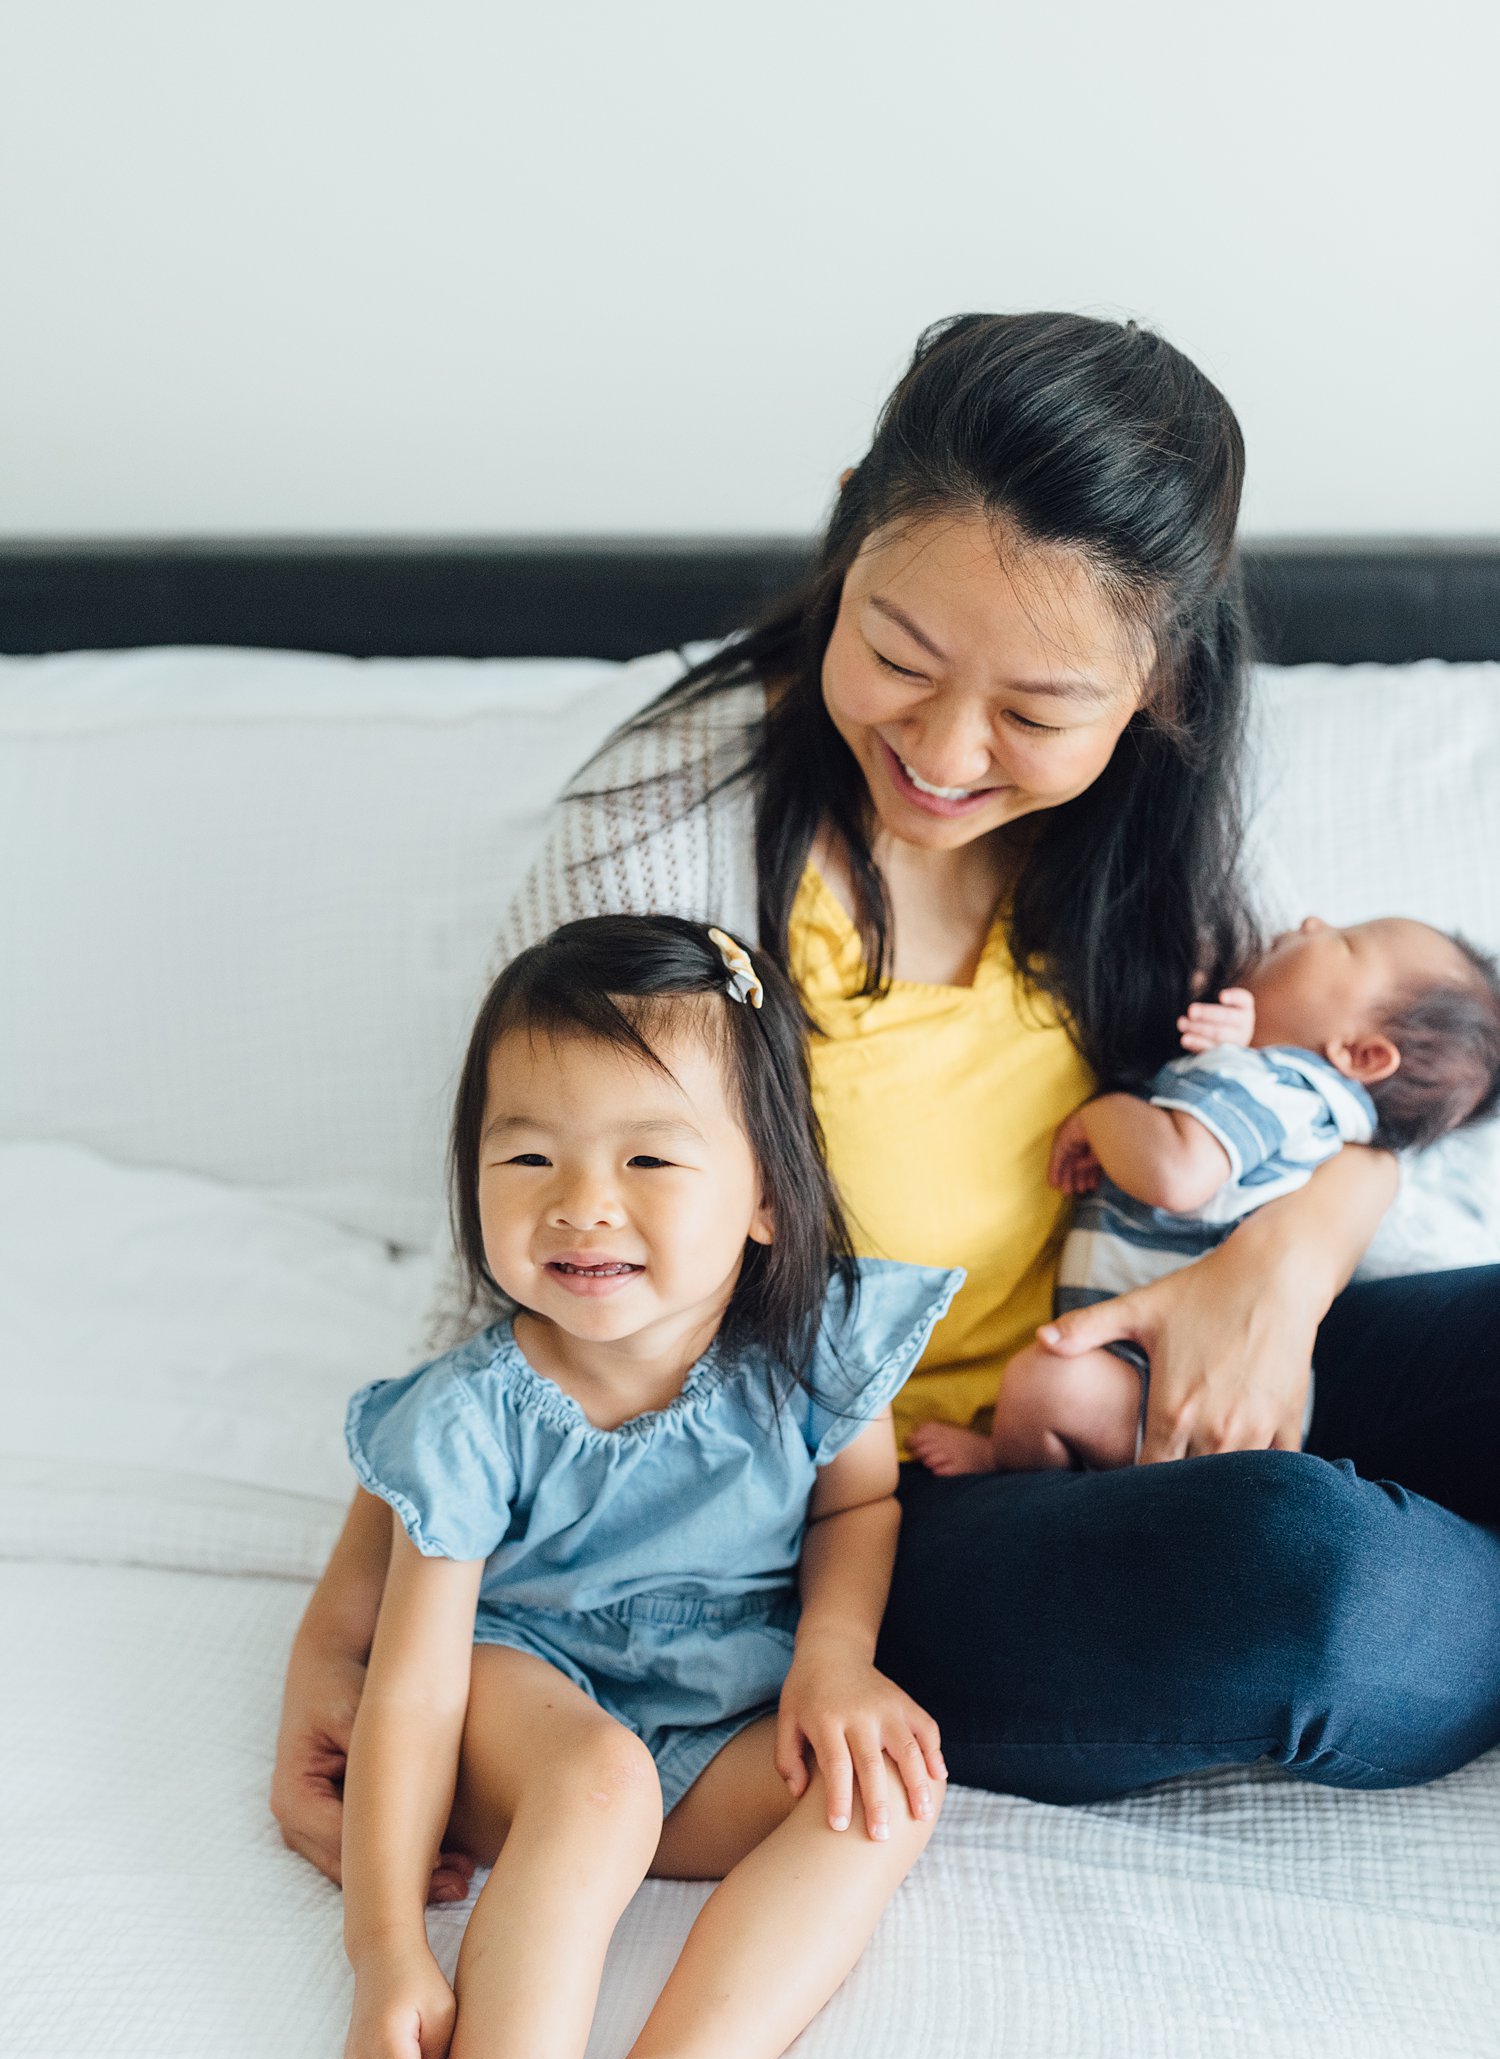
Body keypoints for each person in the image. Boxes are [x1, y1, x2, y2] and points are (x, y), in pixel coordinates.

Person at [274, 309, 1500, 1896]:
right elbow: (530, 1249)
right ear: (850, 527)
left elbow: (1302, 1107)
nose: (940, 747)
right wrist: (348, 1619)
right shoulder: (670, 838)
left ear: (1157, 678)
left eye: (1038, 713)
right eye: (899, 658)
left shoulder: (1143, 831)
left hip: (1121, 1367)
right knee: (1327, 1586)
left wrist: (1289, 1259)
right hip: (844, 1503)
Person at [340, 913, 955, 2059]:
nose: (581, 1200)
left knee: (885, 1792)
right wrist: (384, 1945)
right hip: (530, 1693)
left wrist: (833, 1660)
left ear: (770, 1193)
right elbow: (412, 1685)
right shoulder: (469, 1414)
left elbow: (862, 1503)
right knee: (598, 1776)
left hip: (725, 1707)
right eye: (527, 1155)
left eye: (651, 1155)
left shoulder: (817, 1344)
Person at [910, 914, 1500, 1474]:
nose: (1312, 922)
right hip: (1182, 1382)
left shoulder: (1280, 1085)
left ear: (1361, 1054)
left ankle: (1007, 1463)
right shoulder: (1290, 1097)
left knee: (1046, 1384)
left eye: (1345, 942)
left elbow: (1177, 1174)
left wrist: (1102, 1115)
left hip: (1159, 1384)